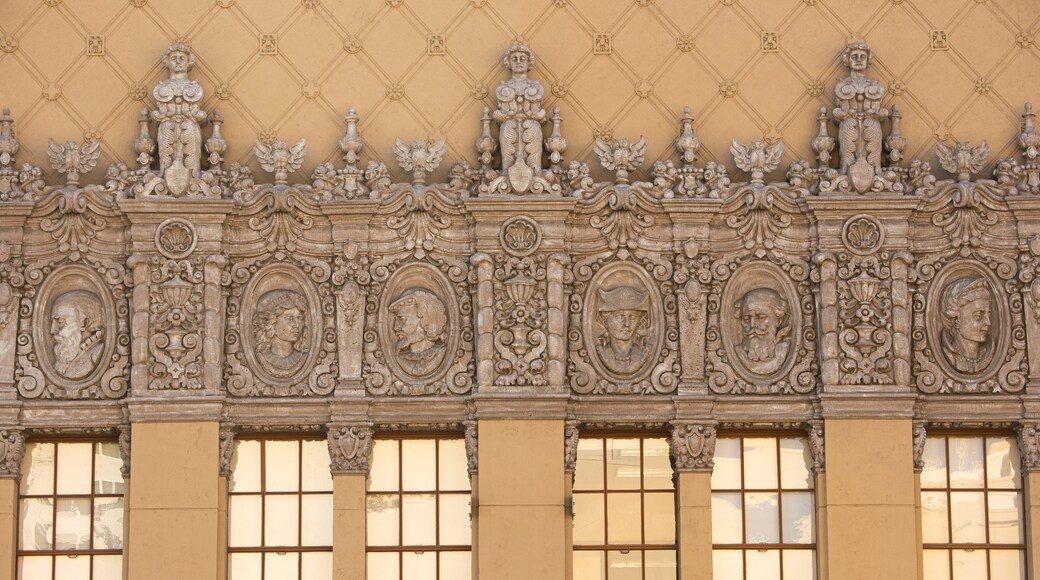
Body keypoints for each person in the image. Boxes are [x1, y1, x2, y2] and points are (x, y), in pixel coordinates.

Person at [493, 42, 546, 190]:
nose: (518, 62)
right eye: (514, 58)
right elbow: (500, 115)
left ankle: (535, 174)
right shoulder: (504, 88)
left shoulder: (535, 87)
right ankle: (507, 173)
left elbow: (539, 114)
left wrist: (537, 115)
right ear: (508, 63)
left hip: (532, 126)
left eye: (522, 58)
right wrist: (503, 115)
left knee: (533, 133)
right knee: (508, 134)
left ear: (528, 62)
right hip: (509, 126)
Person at [152, 43, 206, 181]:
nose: (177, 61)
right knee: (165, 128)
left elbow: (200, 115)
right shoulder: (162, 87)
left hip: (189, 126)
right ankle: (165, 171)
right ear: (167, 61)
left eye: (182, 58)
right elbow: (158, 115)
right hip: (167, 126)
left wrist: (196, 116)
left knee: (190, 129)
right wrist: (161, 116)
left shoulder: (195, 88)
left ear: (189, 62)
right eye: (174, 58)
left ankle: (193, 173)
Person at [833, 42, 888, 176]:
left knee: (874, 147)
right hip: (848, 124)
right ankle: (846, 169)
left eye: (862, 56)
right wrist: (844, 114)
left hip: (871, 124)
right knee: (847, 149)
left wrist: (877, 114)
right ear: (848, 60)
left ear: (868, 60)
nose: (858, 59)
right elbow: (837, 113)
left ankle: (876, 169)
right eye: (854, 56)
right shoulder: (842, 85)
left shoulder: (875, 85)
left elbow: (882, 113)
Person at [940, 277, 994, 374]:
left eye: (988, 315)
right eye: (978, 315)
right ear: (956, 318)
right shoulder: (948, 355)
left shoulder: (988, 355)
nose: (988, 322)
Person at [389, 289, 448, 376]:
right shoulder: (399, 357)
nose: (395, 327)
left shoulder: (441, 353)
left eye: (401, 320)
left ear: (425, 320)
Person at [595, 286, 652, 376]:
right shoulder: (602, 353)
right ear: (605, 320)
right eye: (620, 317)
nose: (626, 324)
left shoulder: (643, 353)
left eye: (632, 317)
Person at [733, 288, 791, 376]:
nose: (752, 325)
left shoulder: (785, 350)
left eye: (761, 317)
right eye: (747, 318)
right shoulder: (736, 352)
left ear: (779, 320)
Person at [50, 290, 104, 380]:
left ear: (85, 323)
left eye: (60, 322)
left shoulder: (95, 353)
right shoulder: (66, 359)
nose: (52, 330)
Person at [253, 290, 308, 378]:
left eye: (300, 318)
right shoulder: (260, 358)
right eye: (290, 319)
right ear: (271, 322)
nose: (297, 325)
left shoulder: (304, 358)